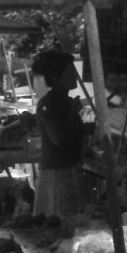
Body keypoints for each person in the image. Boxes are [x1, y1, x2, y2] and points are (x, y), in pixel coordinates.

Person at [29, 50, 85, 218]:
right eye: (69, 72)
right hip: (56, 173)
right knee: (57, 222)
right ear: (56, 78)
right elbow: (57, 139)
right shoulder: (48, 103)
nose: (75, 75)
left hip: (71, 168)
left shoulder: (67, 101)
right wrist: (73, 113)